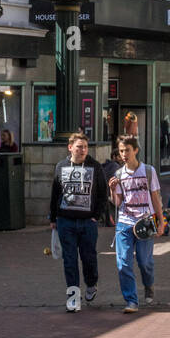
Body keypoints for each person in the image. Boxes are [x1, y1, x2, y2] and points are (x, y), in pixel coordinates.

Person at [49, 132, 108, 311]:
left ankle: (91, 283)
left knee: (89, 258)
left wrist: (95, 216)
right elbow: (55, 193)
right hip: (65, 221)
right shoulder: (61, 166)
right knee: (70, 261)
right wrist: (53, 217)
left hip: (87, 223)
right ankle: (73, 299)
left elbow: (102, 194)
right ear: (70, 148)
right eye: (79, 147)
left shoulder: (95, 166)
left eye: (85, 147)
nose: (83, 150)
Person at [108, 135, 164, 313]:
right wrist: (111, 189)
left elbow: (155, 197)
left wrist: (161, 221)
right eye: (121, 151)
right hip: (124, 222)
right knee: (123, 263)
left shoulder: (148, 171)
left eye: (127, 150)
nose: (124, 154)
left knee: (144, 261)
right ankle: (131, 300)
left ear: (136, 150)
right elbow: (117, 203)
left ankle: (149, 285)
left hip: (145, 221)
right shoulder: (118, 174)